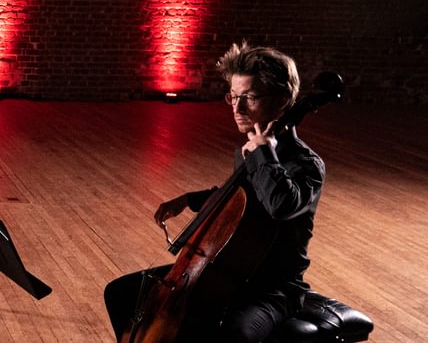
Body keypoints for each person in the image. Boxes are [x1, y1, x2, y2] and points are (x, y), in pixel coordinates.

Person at [104, 42, 324, 342]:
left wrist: (263, 154)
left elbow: (280, 204)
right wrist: (190, 200)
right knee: (121, 292)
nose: (237, 108)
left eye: (249, 97)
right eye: (233, 96)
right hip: (227, 270)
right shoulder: (248, 151)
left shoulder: (305, 163)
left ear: (283, 101)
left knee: (235, 334)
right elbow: (241, 202)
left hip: (272, 288)